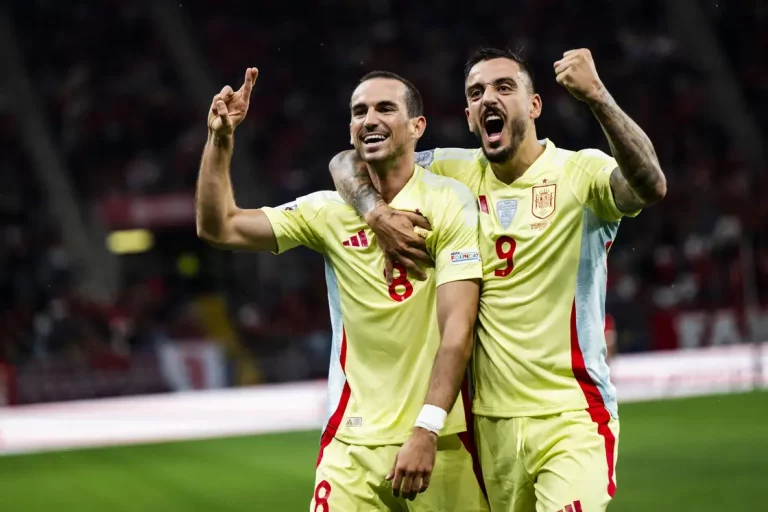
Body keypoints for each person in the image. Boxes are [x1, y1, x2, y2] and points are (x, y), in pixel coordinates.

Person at [329, 47, 667, 512]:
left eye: (504, 87)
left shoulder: (579, 171)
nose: (489, 97)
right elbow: (347, 161)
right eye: (476, 93)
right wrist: (375, 213)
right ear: (469, 116)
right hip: (488, 425)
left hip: (572, 414)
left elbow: (650, 184)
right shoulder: (452, 173)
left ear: (534, 105)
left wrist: (597, 97)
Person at [196, 67, 489, 511]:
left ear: (417, 127)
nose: (369, 119)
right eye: (359, 112)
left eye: (384, 108)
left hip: (440, 442)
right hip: (349, 445)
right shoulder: (328, 211)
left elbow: (457, 330)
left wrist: (427, 429)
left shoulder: (449, 202)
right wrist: (220, 140)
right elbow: (220, 226)